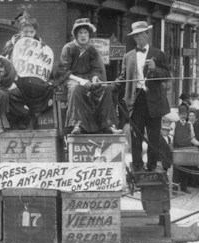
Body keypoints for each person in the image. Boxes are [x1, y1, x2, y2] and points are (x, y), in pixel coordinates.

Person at [111, 21, 171, 172]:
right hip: (135, 101)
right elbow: (123, 78)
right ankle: (137, 168)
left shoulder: (159, 54)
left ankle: (152, 167)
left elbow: (167, 76)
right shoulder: (128, 56)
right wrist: (108, 88)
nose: (138, 37)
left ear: (147, 35)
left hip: (154, 102)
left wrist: (155, 69)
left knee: (154, 137)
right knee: (135, 136)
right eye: (135, 35)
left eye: (141, 34)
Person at [55, 18, 119, 134]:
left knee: (105, 88)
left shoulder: (92, 50)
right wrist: (80, 80)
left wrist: (95, 78)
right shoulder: (68, 48)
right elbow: (63, 71)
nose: (83, 36)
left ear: (89, 35)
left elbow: (96, 69)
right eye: (80, 33)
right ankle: (78, 125)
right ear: (75, 34)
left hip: (88, 80)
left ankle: (107, 124)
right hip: (71, 79)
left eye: (85, 33)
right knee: (76, 89)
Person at [2, 8, 54, 129]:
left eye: (31, 32)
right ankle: (25, 116)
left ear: (35, 31)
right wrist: (9, 83)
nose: (29, 35)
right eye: (25, 32)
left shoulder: (41, 47)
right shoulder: (11, 45)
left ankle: (32, 117)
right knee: (6, 94)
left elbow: (46, 65)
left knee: (49, 89)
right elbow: (3, 65)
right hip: (16, 81)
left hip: (34, 83)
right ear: (20, 31)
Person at [171, 105, 199, 193]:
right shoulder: (174, 124)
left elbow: (192, 138)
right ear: (179, 114)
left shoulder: (189, 125)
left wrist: (198, 143)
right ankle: (174, 188)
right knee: (176, 169)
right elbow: (171, 136)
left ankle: (184, 186)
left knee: (186, 168)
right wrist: (170, 143)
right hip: (177, 149)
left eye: (185, 114)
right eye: (181, 114)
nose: (183, 116)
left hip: (187, 149)